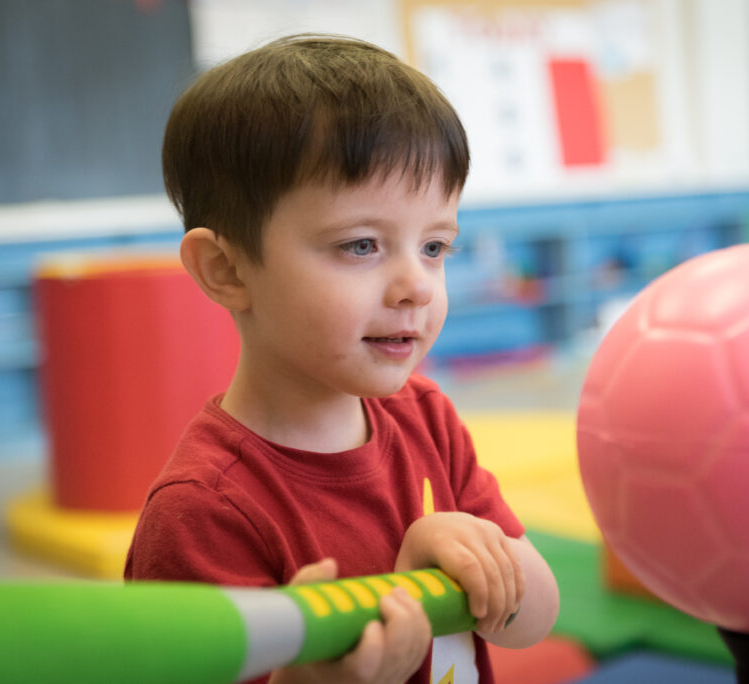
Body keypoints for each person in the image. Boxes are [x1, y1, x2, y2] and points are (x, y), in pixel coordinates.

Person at [124, 33, 559, 684]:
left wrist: (473, 559)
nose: (416, 284)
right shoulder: (204, 513)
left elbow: (537, 619)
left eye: (435, 246)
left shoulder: (427, 418)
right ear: (226, 269)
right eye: (361, 246)